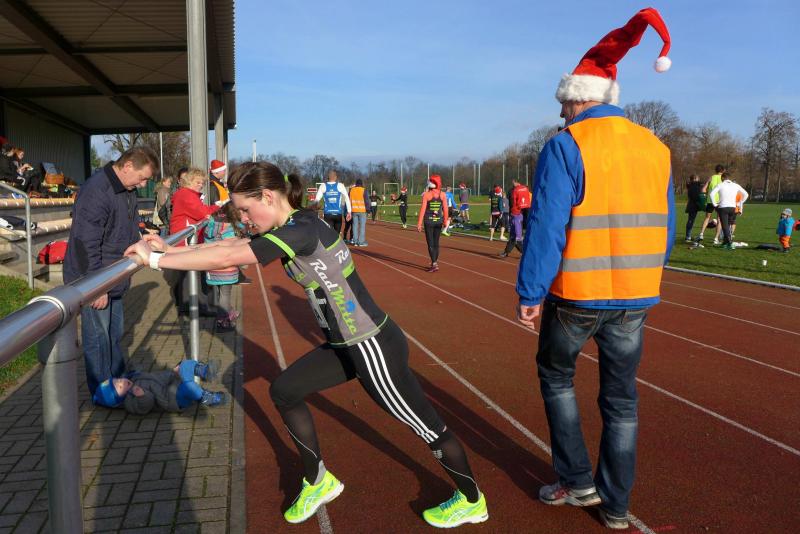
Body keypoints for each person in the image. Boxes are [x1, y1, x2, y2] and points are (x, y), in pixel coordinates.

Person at [125, 161, 489, 528]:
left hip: (371, 346)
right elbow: (232, 243)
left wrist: (155, 260)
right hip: (346, 344)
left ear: (268, 196)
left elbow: (228, 257)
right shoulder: (295, 224)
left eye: (247, 210)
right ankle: (318, 480)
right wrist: (168, 251)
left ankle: (472, 500)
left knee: (428, 428)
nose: (245, 219)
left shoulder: (300, 231)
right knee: (285, 390)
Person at [515, 8, 675, 530]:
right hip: (635, 295)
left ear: (578, 98)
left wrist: (530, 292)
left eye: (563, 103)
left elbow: (546, 226)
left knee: (557, 378)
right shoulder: (656, 147)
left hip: (576, 295)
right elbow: (667, 230)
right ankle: (617, 506)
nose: (561, 112)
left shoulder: (567, 144)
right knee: (622, 401)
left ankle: (576, 480)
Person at [63, 146, 158, 399]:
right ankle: (102, 389)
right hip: (95, 277)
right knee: (98, 336)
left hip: (114, 273)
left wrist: (141, 239)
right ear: (127, 166)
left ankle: (119, 376)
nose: (143, 184)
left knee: (114, 333)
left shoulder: (127, 190)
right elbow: (85, 243)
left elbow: (126, 226)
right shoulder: (96, 191)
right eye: (142, 178)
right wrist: (97, 286)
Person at [167, 167, 221, 315]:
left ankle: (189, 305)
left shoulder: (186, 194)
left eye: (202, 183)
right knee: (191, 273)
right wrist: (219, 207)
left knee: (188, 273)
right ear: (189, 181)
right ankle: (194, 306)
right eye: (198, 182)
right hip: (187, 239)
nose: (201, 185)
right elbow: (202, 212)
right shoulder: (187, 194)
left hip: (187, 238)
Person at [92, 358, 226, 411]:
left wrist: (173, 373)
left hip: (171, 382)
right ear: (119, 399)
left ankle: (204, 371)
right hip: (172, 399)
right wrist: (142, 396)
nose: (121, 382)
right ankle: (207, 398)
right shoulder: (129, 401)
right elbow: (145, 407)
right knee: (188, 387)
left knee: (184, 364)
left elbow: (156, 376)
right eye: (119, 387)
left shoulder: (133, 379)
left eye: (118, 380)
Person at [204, 202, 241, 331]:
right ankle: (222, 322)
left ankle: (229, 312)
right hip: (225, 266)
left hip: (212, 265)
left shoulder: (212, 222)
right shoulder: (228, 227)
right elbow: (232, 247)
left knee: (221, 292)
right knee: (225, 294)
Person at [417, 174, 449, 272]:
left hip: (428, 222)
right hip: (438, 222)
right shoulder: (443, 195)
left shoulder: (426, 195)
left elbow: (423, 209)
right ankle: (434, 262)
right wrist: (445, 221)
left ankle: (434, 263)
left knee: (430, 244)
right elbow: (445, 209)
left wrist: (419, 223)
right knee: (436, 243)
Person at [709, 172, 748, 249]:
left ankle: (730, 243)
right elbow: (746, 194)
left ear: (722, 178)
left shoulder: (720, 185)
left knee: (725, 226)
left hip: (723, 207)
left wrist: (715, 204)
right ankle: (725, 242)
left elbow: (711, 194)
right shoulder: (735, 185)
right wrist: (740, 203)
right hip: (732, 208)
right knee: (729, 225)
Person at [313, 169, 352, 235]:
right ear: (336, 177)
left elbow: (316, 200)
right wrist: (349, 212)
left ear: (328, 177)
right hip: (338, 214)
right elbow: (347, 198)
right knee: (336, 235)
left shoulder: (323, 186)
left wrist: (313, 211)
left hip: (328, 214)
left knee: (328, 235)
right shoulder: (340, 185)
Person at [499, 179, 531, 258]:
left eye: (513, 182)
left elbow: (513, 202)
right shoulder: (524, 189)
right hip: (515, 215)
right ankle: (506, 252)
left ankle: (525, 253)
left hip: (517, 215)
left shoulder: (514, 191)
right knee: (513, 236)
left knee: (517, 238)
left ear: (515, 181)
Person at [696, 164, 725, 245]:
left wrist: (705, 196)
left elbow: (703, 189)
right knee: (719, 219)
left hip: (710, 201)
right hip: (719, 201)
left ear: (715, 170)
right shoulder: (723, 178)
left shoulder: (711, 177)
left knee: (707, 218)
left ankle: (701, 234)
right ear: (723, 171)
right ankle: (716, 238)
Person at [348, 178, 369, 246]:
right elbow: (366, 201)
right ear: (361, 184)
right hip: (362, 211)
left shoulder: (351, 190)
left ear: (356, 184)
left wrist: (349, 210)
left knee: (355, 226)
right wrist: (368, 210)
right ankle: (361, 242)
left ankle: (355, 241)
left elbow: (348, 200)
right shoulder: (363, 190)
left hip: (354, 210)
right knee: (362, 226)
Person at [684, 174, 703, 242]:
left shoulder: (691, 185)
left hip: (691, 205)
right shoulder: (694, 186)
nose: (699, 179)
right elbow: (696, 196)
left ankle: (688, 236)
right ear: (694, 179)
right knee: (691, 221)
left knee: (691, 220)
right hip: (693, 206)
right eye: (698, 178)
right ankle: (688, 237)